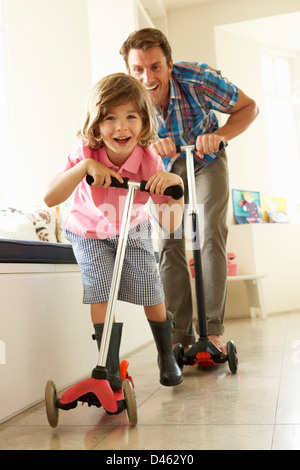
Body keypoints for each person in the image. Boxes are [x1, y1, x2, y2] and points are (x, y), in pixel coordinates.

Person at [120, 28, 259, 354]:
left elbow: (249, 107)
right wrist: (150, 145)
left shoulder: (197, 79)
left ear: (170, 64)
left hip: (206, 158)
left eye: (155, 67)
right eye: (138, 69)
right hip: (164, 169)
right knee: (169, 242)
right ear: (129, 71)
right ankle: (179, 336)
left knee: (210, 231)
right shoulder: (127, 96)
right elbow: (119, 141)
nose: (147, 77)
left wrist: (221, 134)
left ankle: (212, 332)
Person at [44, 73, 184, 388]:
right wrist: (82, 169)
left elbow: (171, 224)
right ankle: (108, 368)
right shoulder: (85, 153)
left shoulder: (150, 162)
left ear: (143, 122)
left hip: (133, 229)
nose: (121, 126)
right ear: (96, 124)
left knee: (151, 289)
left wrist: (176, 186)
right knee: (101, 291)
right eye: (110, 118)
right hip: (87, 231)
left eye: (130, 117)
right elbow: (50, 197)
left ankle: (166, 354)